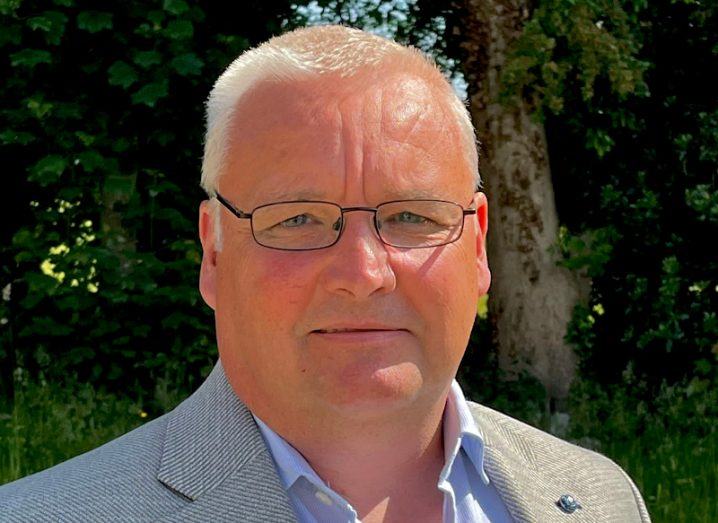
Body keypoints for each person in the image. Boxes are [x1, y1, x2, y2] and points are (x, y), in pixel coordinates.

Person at [0, 25, 650, 523]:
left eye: (409, 215)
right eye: (298, 219)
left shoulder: (600, 496)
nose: (364, 272)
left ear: (477, 245)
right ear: (214, 251)